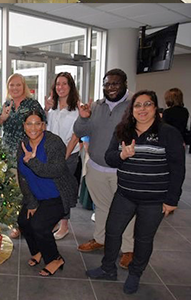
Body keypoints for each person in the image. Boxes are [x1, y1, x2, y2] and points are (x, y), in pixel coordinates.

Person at [86, 90, 185, 294]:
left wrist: (172, 199)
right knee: (112, 232)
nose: (142, 109)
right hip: (125, 194)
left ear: (155, 108)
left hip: (154, 200)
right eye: (137, 105)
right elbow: (110, 158)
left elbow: (178, 169)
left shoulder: (168, 133)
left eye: (147, 104)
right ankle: (107, 268)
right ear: (131, 110)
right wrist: (122, 154)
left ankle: (135, 274)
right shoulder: (123, 131)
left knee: (143, 239)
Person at [74, 68, 135, 269]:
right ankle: (100, 239)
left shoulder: (133, 107)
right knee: (101, 207)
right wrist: (83, 117)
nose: (111, 88)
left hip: (123, 171)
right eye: (107, 84)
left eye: (115, 83)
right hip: (96, 168)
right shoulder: (96, 106)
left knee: (126, 211)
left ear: (125, 84)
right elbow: (81, 131)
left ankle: (128, 249)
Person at [17, 110, 78, 277]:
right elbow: (22, 176)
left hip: (57, 195)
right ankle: (38, 250)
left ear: (43, 125)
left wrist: (33, 162)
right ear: (24, 126)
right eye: (29, 123)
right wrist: (31, 202)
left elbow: (57, 170)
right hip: (37, 195)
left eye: (38, 123)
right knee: (23, 221)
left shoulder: (54, 142)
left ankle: (55, 258)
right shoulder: (22, 144)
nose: (33, 127)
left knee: (39, 225)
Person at [0, 73, 44, 238]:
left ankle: (29, 223)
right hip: (7, 153)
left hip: (25, 153)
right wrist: (2, 118)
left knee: (26, 189)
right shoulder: (7, 104)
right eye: (11, 85)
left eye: (18, 85)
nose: (14, 88)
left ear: (24, 86)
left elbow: (41, 125)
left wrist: (36, 148)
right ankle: (17, 223)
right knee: (12, 190)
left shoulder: (32, 104)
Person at [45, 72, 81, 240]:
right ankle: (54, 220)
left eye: (64, 84)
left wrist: (64, 156)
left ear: (70, 86)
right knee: (53, 190)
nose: (60, 87)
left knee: (64, 191)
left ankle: (64, 225)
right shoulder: (51, 109)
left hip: (69, 156)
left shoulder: (77, 109)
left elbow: (75, 136)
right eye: (58, 84)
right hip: (51, 156)